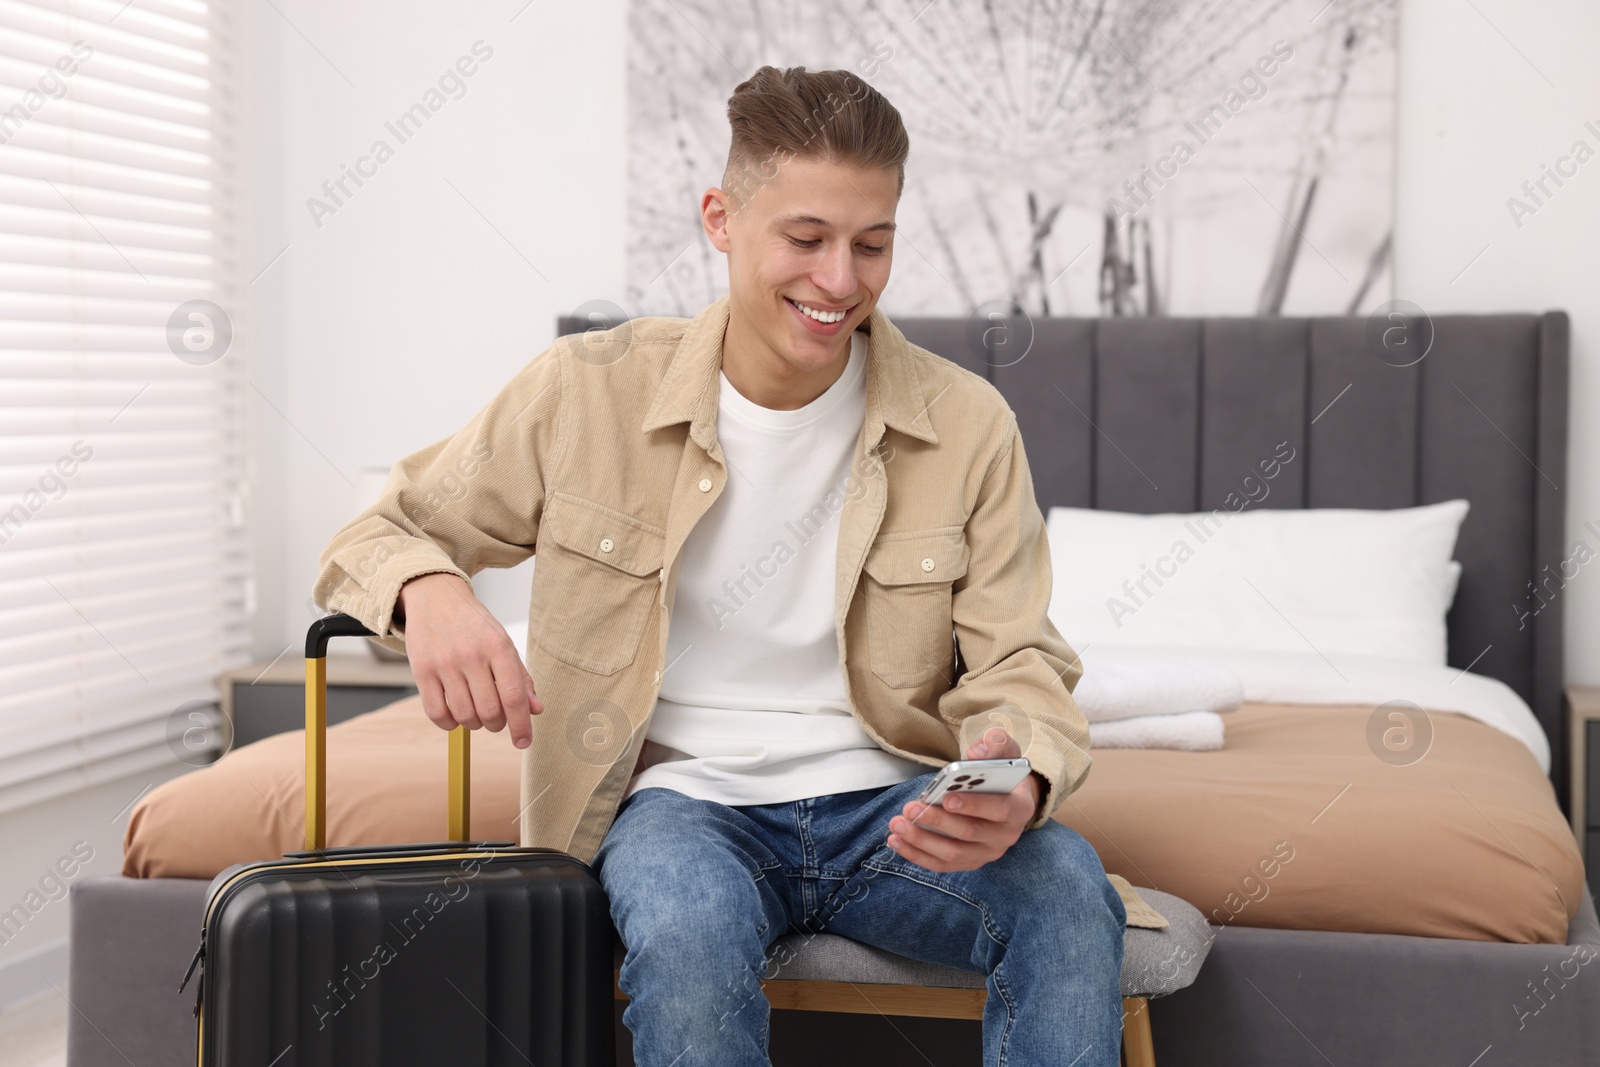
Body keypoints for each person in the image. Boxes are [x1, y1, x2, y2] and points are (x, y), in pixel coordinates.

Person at [313, 64, 1125, 1067]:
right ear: (720, 219)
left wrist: (1019, 775)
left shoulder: (966, 422)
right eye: (806, 238)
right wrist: (426, 585)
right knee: (689, 934)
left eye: (872, 244)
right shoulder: (585, 391)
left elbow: (1021, 663)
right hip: (684, 805)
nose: (840, 280)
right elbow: (375, 529)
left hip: (894, 802)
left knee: (1066, 888)